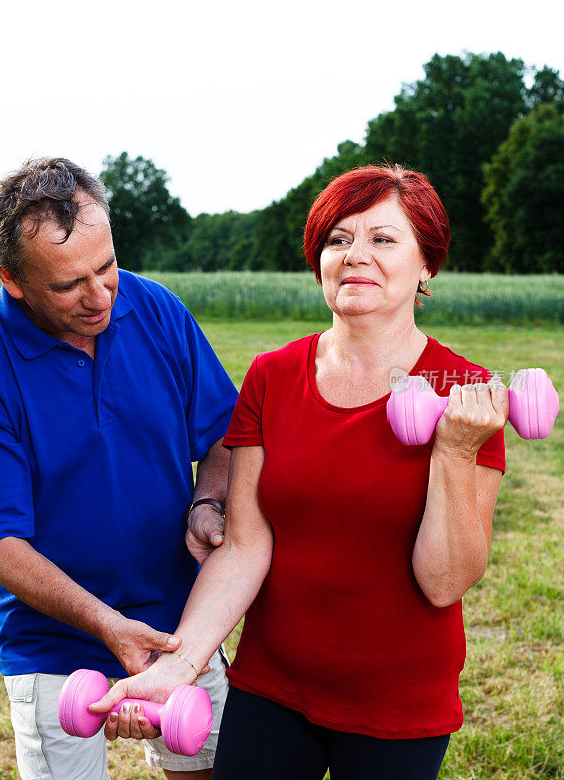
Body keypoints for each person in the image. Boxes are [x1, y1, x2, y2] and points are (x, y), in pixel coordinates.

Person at [91, 165, 507, 780]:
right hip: (271, 689)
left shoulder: (466, 393)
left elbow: (444, 583)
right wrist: (177, 666)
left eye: (383, 239)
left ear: (426, 265)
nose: (355, 256)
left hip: (397, 703)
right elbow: (245, 547)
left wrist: (453, 451)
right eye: (338, 240)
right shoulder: (273, 376)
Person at [0, 157, 238, 780]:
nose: (100, 296)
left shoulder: (157, 309)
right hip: (51, 640)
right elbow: (0, 546)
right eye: (68, 285)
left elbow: (223, 432)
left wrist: (209, 501)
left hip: (178, 618)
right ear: (12, 278)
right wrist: (109, 628)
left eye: (106, 266)